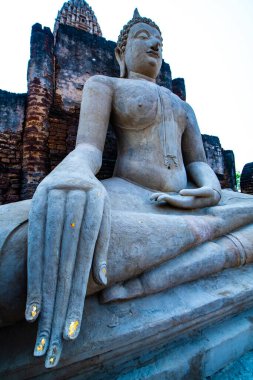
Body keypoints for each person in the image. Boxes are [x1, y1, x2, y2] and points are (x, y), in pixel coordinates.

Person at [1, 9, 253, 368]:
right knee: (23, 255)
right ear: (121, 52)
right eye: (143, 36)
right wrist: (72, 173)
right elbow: (87, 149)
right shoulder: (106, 85)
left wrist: (211, 189)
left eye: (159, 41)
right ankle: (190, 249)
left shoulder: (184, 107)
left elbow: (198, 164)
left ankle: (155, 271)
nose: (154, 44)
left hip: (193, 202)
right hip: (132, 195)